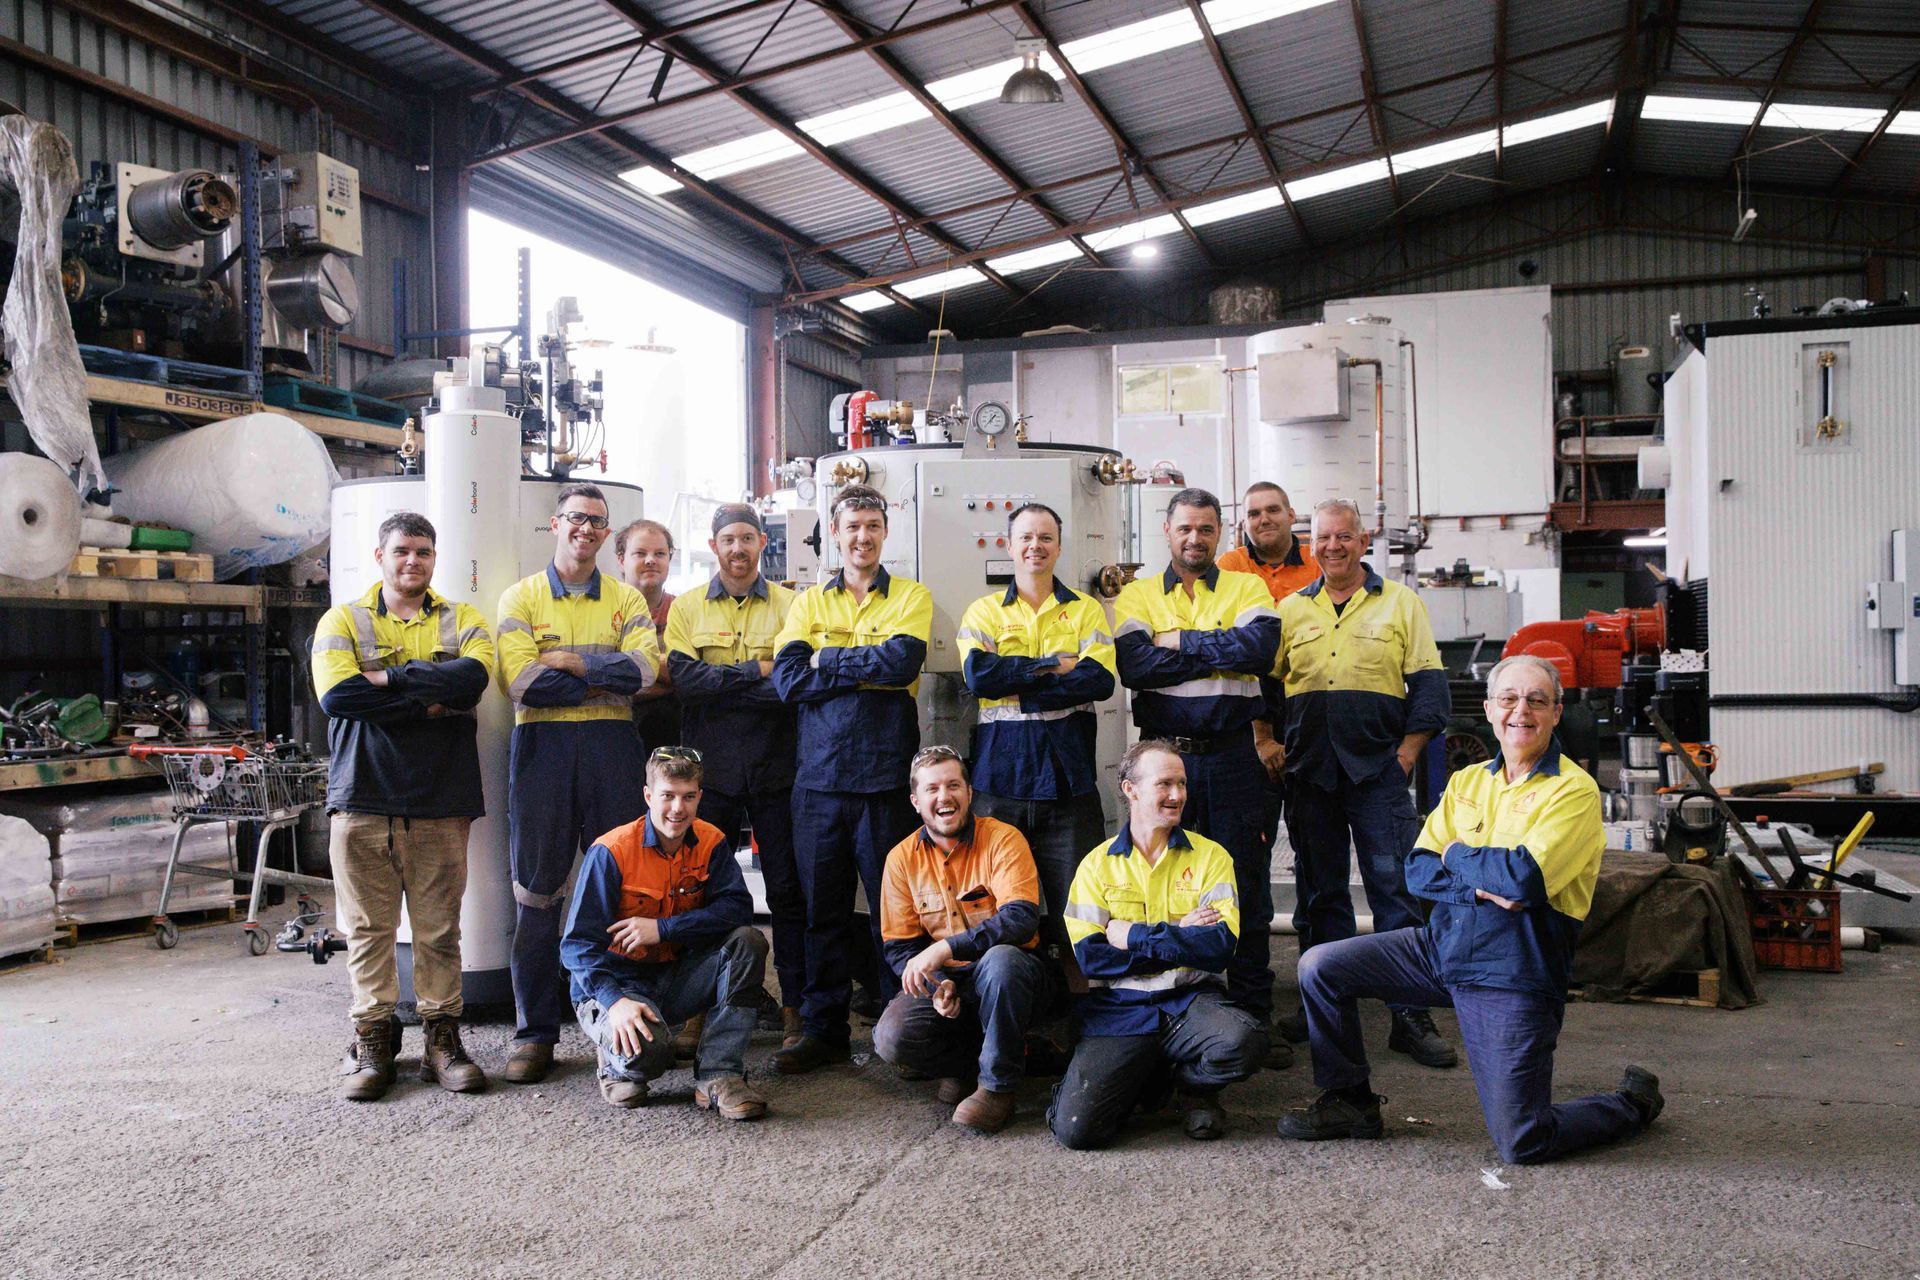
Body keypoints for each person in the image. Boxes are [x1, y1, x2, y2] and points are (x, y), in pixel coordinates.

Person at [1278, 655, 1664, 1163]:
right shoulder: (1467, 783)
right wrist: (1478, 884)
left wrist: (1457, 855)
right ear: (1488, 709)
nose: (1520, 711)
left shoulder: (1573, 790)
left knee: (1523, 1140)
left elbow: (1524, 881)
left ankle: (1630, 1103)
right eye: (1508, 699)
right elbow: (1417, 867)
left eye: (1536, 701)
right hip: (1441, 946)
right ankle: (1349, 1101)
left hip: (1512, 967)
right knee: (1320, 966)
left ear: (1555, 712)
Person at [312, 511, 494, 1101]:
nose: (412, 561)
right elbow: (339, 696)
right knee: (368, 930)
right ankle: (373, 1043)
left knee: (440, 931)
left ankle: (441, 1043)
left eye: (422, 551)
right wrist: (425, 698)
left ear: (434, 559)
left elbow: (469, 684)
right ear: (380, 557)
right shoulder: (343, 619)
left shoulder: (462, 619)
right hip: (362, 798)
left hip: (442, 801)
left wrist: (384, 681)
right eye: (401, 552)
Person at [1271, 498, 1457, 1068]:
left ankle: (1408, 1012)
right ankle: (1321, 1003)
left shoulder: (1402, 604)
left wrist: (1405, 756)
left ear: (1364, 539)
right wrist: (1264, 739)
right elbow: (1268, 689)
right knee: (1319, 895)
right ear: (1312, 542)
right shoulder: (1288, 611)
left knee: (1395, 893)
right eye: (1324, 538)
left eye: (1344, 537)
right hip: (1310, 773)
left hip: (1377, 771)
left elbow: (1428, 688)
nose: (1333, 547)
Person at [495, 483, 662, 1084]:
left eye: (596, 521)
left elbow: (644, 672)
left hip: (613, 750)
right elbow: (520, 682)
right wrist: (600, 674)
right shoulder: (521, 597)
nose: (585, 529)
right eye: (575, 518)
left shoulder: (627, 600)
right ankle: (534, 1033)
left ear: (605, 530)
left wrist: (567, 660)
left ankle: (612, 1029)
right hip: (542, 751)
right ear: (554, 524)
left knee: (618, 892)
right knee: (538, 894)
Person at [769, 483, 933, 1074]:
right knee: (823, 913)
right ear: (833, 535)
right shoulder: (809, 602)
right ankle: (823, 1028)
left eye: (872, 526)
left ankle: (904, 1027)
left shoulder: (911, 596)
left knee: (897, 913)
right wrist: (858, 666)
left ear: (885, 532)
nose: (862, 537)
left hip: (886, 780)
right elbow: (787, 682)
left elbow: (902, 663)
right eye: (852, 527)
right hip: (817, 783)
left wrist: (825, 658)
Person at [1111, 487, 1283, 1044]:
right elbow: (1135, 664)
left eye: (1206, 529)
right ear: (1167, 530)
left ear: (1220, 533)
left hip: (1233, 759)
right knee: (1165, 881)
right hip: (1164, 757)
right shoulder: (1137, 594)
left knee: (1245, 885)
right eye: (1185, 528)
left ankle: (1253, 1011)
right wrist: (1217, 644)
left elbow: (1257, 652)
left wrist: (1177, 641)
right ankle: (1180, 1006)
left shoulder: (1247, 585)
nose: (1195, 539)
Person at [1048, 741, 1265, 1148]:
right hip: (1120, 1009)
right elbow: (1092, 959)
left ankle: (1191, 1087)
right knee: (1077, 1131)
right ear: (1130, 790)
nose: (1178, 795)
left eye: (1182, 783)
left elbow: (1219, 947)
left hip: (1191, 1000)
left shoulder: (1211, 857)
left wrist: (1133, 934)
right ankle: (1145, 1074)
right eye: (1165, 783)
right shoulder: (1096, 866)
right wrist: (1181, 932)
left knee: (1245, 1043)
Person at [560, 747, 770, 1120]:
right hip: (617, 986)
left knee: (748, 943)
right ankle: (614, 1059)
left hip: (674, 977)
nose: (678, 809)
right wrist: (613, 1001)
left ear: (699, 797)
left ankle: (720, 1074)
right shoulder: (611, 851)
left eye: (688, 797)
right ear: (648, 796)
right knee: (648, 1059)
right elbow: (575, 946)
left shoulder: (712, 842)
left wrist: (663, 928)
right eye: (668, 796)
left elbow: (736, 909)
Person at [663, 503, 805, 1051]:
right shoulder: (688, 607)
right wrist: (755, 671)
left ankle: (795, 1009)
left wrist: (725, 679)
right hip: (710, 774)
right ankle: (695, 1010)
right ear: (714, 545)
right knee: (698, 893)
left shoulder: (794, 605)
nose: (739, 549)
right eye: (729, 540)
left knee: (790, 894)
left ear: (762, 543)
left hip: (779, 769)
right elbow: (685, 680)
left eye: (748, 538)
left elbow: (790, 684)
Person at [956, 502, 1115, 953]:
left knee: (1079, 911)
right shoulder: (983, 612)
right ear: (1010, 546)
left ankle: (1084, 1010)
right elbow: (978, 677)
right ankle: (998, 994)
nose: (1035, 546)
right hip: (999, 782)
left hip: (1069, 782)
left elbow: (1099, 681)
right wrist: (1052, 669)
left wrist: (1016, 678)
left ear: (1059, 547)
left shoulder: (1086, 611)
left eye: (1045, 537)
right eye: (1026, 537)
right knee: (992, 905)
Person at [873, 746, 1052, 1134]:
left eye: (954, 785)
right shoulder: (900, 860)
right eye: (932, 789)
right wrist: (938, 985)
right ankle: (967, 1066)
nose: (944, 797)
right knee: (890, 1037)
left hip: (1012, 978)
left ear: (970, 793)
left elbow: (1020, 920)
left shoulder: (1004, 839)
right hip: (952, 981)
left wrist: (945, 948)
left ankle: (997, 1088)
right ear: (915, 801)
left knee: (1002, 962)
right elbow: (900, 949)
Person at [617, 517, 681, 769]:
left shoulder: (685, 610)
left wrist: (629, 673)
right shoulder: (605, 610)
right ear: (621, 560)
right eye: (640, 553)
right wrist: (665, 677)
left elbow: (687, 675)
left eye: (659, 553)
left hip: (673, 741)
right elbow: (606, 678)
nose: (651, 560)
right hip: (618, 738)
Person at [1218, 482, 1319, 599]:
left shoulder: (1318, 562)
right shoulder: (1230, 566)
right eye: (1254, 514)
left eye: (1273, 510)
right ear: (1245, 525)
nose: (1264, 520)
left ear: (1291, 516)